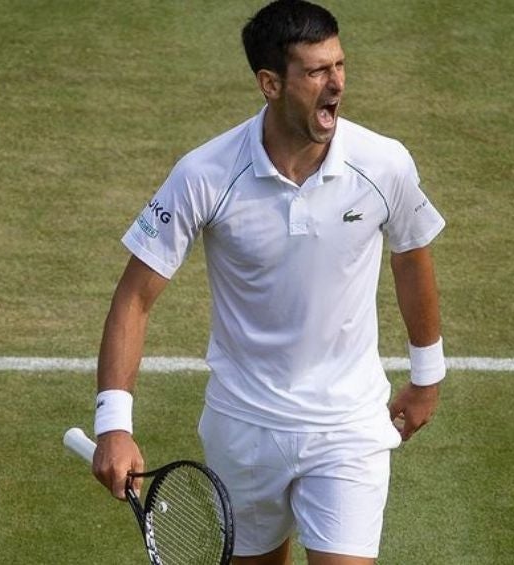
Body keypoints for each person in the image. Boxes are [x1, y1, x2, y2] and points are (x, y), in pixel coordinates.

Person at [91, 1, 447, 563]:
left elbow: (411, 259)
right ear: (270, 83)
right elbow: (134, 298)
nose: (336, 84)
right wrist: (113, 424)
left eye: (340, 65)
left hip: (347, 424)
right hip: (244, 428)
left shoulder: (384, 164)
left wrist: (427, 377)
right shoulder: (205, 174)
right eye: (316, 72)